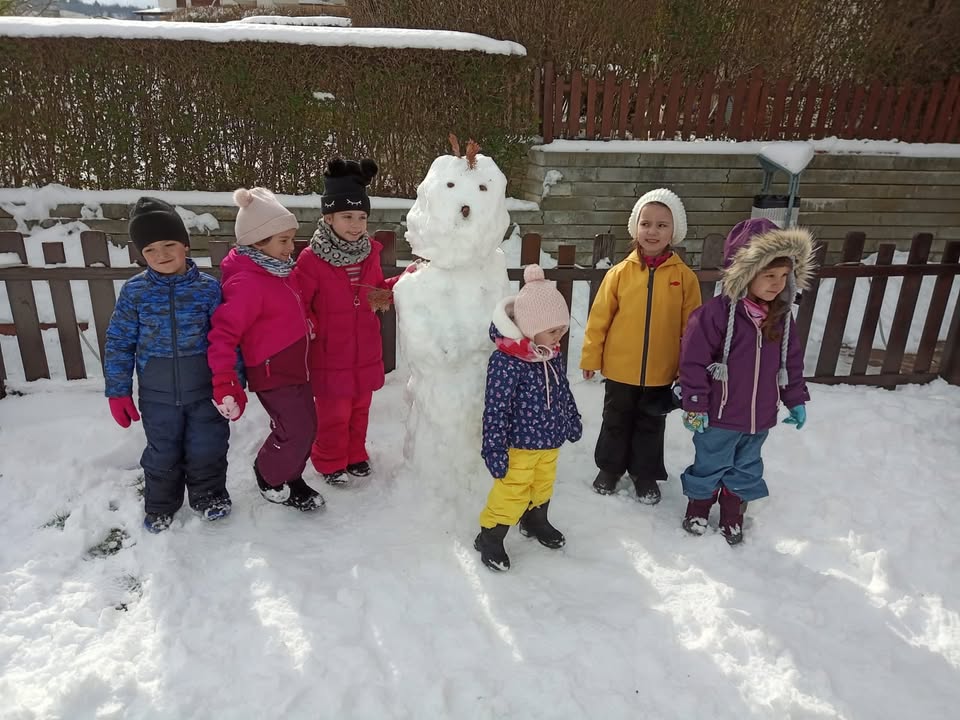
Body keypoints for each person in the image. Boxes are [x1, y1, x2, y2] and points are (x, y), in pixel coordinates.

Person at [678, 217, 815, 545]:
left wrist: (794, 399)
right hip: (720, 415)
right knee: (710, 463)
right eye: (769, 276)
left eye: (784, 276)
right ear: (745, 273)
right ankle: (698, 506)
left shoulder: (781, 318)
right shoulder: (713, 315)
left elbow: (790, 362)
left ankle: (732, 511)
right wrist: (694, 404)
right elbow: (693, 363)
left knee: (747, 467)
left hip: (759, 417)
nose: (777, 284)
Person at [104, 197, 230, 533]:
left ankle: (209, 496)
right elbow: (119, 341)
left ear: (185, 244)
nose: (161, 254)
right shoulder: (135, 292)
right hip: (157, 395)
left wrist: (232, 384)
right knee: (162, 453)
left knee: (208, 446)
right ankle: (161, 505)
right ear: (141, 254)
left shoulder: (208, 289)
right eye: (150, 250)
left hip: (205, 390)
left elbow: (226, 339)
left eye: (168, 244)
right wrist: (118, 391)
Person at [580, 188, 701, 504]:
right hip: (620, 369)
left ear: (674, 231)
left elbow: (693, 330)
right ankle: (609, 468)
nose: (653, 231)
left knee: (651, 425)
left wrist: (687, 370)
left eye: (662, 225)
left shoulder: (684, 278)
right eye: (646, 223)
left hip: (661, 372)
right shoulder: (619, 274)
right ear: (635, 227)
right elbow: (599, 319)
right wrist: (591, 356)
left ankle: (645, 474)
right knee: (615, 421)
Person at [207, 187, 324, 511]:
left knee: (306, 426)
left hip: (296, 366)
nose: (291, 247)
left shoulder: (282, 271)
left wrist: (308, 321)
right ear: (258, 242)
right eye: (283, 240)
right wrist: (224, 379)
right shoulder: (247, 283)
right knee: (296, 429)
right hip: (272, 372)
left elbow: (297, 307)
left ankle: (291, 473)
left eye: (291, 239)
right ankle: (269, 473)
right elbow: (223, 334)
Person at [294, 157, 408, 486]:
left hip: (365, 352)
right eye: (347, 216)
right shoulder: (311, 260)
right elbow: (300, 303)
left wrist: (403, 284)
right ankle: (329, 460)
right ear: (327, 217)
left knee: (360, 410)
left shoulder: (368, 253)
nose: (356, 224)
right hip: (331, 355)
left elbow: (373, 296)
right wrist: (312, 326)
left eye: (361, 216)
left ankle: (355, 454)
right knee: (334, 415)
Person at [475, 265, 582, 572]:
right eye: (553, 329)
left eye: (562, 328)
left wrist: (570, 418)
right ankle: (490, 536)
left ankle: (535, 521)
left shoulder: (551, 352)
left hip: (549, 440)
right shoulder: (507, 361)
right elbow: (495, 407)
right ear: (530, 327)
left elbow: (562, 388)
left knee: (543, 485)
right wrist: (493, 448)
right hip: (519, 444)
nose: (559, 335)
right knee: (512, 491)